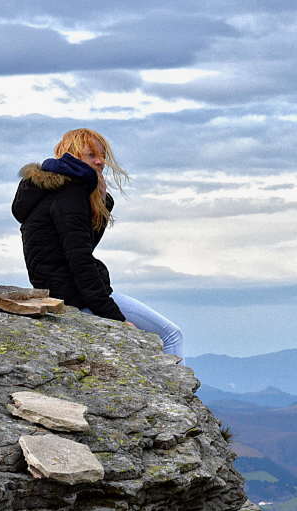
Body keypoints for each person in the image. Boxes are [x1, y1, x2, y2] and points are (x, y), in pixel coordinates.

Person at [12, 128, 183, 359]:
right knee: (171, 336)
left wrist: (102, 203)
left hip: (66, 292)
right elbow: (80, 261)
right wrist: (116, 318)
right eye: (91, 155)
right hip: (75, 297)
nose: (100, 161)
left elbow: (81, 248)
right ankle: (173, 396)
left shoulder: (55, 193)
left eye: (102, 155)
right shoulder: (70, 196)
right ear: (72, 154)